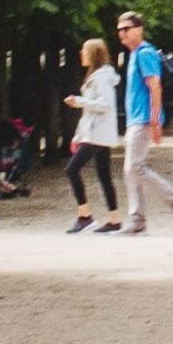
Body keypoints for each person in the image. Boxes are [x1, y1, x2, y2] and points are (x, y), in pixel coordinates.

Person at [116, 11, 173, 234]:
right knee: (130, 170)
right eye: (119, 29)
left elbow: (155, 87)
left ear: (139, 29)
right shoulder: (135, 55)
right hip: (136, 120)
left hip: (143, 120)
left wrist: (156, 121)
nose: (122, 33)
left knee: (135, 167)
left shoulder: (145, 54)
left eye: (126, 28)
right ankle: (137, 220)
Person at [62, 38, 121, 231]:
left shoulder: (101, 77)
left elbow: (105, 105)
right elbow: (89, 113)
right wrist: (77, 136)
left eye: (84, 51)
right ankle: (114, 219)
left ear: (93, 54)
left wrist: (79, 101)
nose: (81, 54)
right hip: (96, 132)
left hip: (97, 133)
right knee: (104, 175)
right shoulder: (97, 76)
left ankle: (85, 216)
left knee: (71, 169)